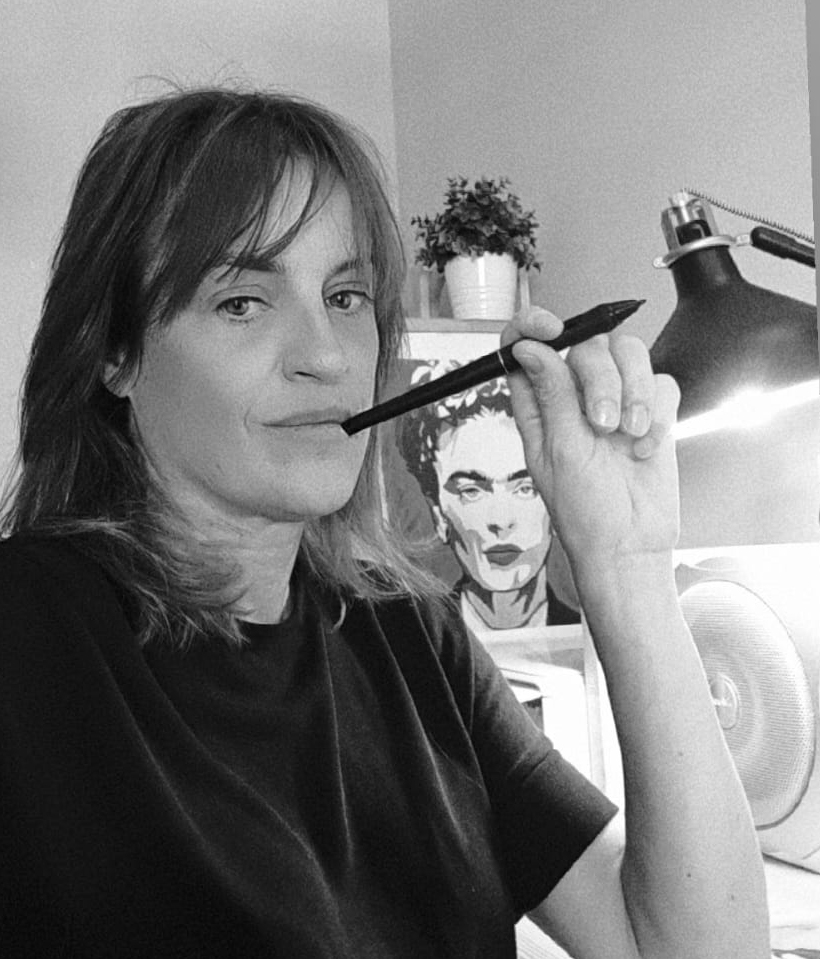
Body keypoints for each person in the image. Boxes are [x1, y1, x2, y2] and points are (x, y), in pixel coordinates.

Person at [0, 87, 769, 959]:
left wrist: (626, 566)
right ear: (116, 350)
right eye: (242, 301)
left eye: (346, 295)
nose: (327, 357)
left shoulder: (411, 635)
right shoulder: (27, 637)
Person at [397, 363, 579, 632]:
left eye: (525, 488)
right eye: (471, 491)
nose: (501, 522)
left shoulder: (599, 640)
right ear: (438, 514)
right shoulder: (414, 642)